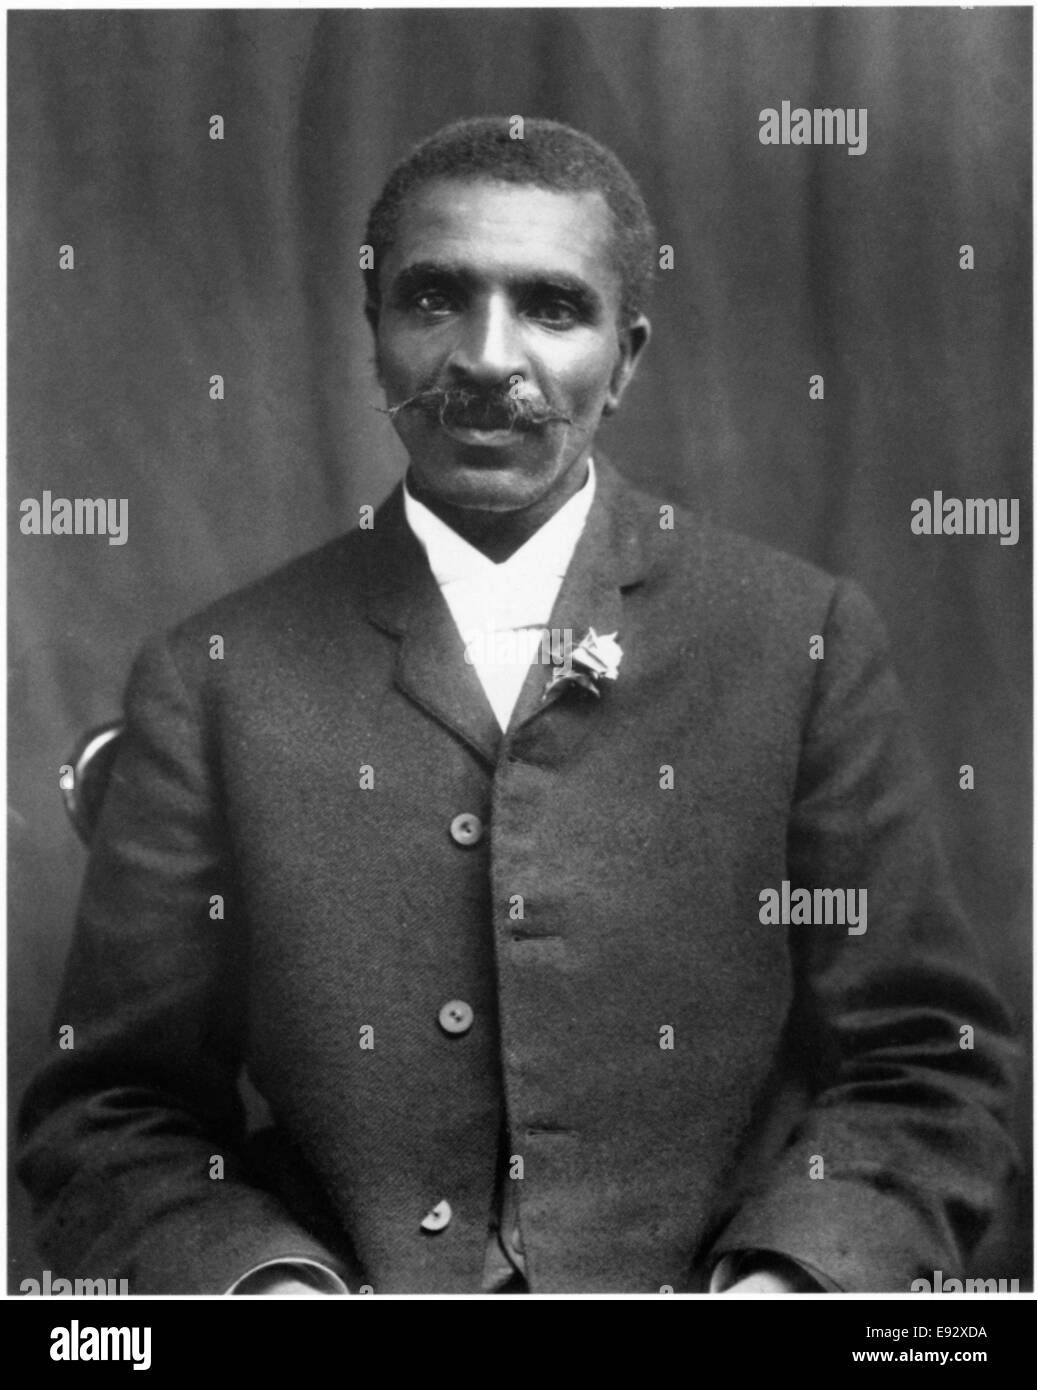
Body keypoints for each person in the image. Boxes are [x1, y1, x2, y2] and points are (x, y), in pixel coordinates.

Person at [18, 116, 1018, 1296]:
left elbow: (925, 1065)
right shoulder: (217, 675)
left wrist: (790, 1281)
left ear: (627, 355)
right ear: (375, 329)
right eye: (436, 298)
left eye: (550, 307)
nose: (487, 358)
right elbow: (113, 1105)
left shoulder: (798, 641)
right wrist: (264, 1284)